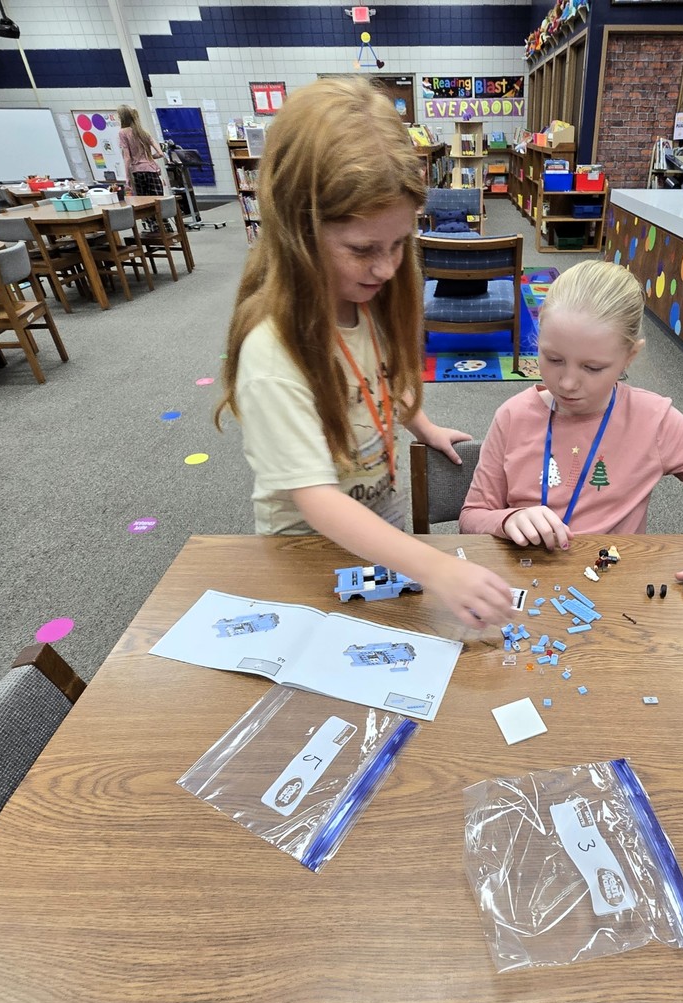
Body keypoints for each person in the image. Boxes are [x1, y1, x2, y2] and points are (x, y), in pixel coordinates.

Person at [215, 77, 512, 628]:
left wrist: (421, 424)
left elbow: (380, 375)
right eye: (362, 249)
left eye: (399, 243)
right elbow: (317, 500)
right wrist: (436, 566)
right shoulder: (273, 355)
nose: (387, 267)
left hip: (383, 524)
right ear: (298, 230)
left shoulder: (363, 297)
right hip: (311, 553)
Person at [459, 260, 683, 601]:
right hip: (525, 584)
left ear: (629, 357)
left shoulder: (653, 419)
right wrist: (508, 520)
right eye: (552, 359)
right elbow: (473, 516)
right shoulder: (512, 416)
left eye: (593, 367)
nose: (567, 382)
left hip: (612, 589)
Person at [116, 105, 165, 198]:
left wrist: (127, 177)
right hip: (152, 171)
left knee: (144, 202)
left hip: (138, 172)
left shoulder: (122, 132)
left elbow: (127, 157)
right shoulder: (143, 132)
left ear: (121, 117)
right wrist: (148, 158)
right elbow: (161, 153)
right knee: (158, 201)